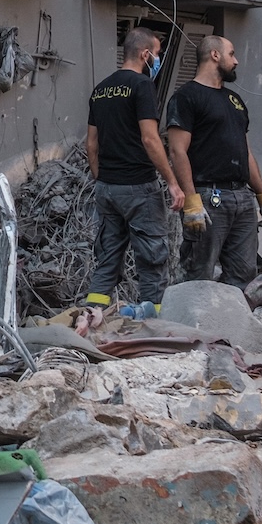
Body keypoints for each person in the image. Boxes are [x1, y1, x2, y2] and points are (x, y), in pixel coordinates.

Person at [81, 28, 184, 315]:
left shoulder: (100, 90)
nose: (158, 60)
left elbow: (91, 144)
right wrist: (173, 183)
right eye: (158, 55)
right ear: (145, 54)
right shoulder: (142, 86)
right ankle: (153, 325)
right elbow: (150, 138)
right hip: (139, 187)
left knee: (108, 259)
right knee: (152, 260)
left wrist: (102, 179)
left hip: (107, 188)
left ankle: (92, 318)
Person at [164, 36, 262, 290]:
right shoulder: (186, 97)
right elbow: (178, 151)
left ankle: (231, 327)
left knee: (244, 274)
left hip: (242, 199)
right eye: (231, 54)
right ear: (215, 55)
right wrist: (191, 202)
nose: (236, 61)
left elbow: (245, 151)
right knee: (199, 274)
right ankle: (195, 327)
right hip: (208, 198)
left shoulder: (234, 101)